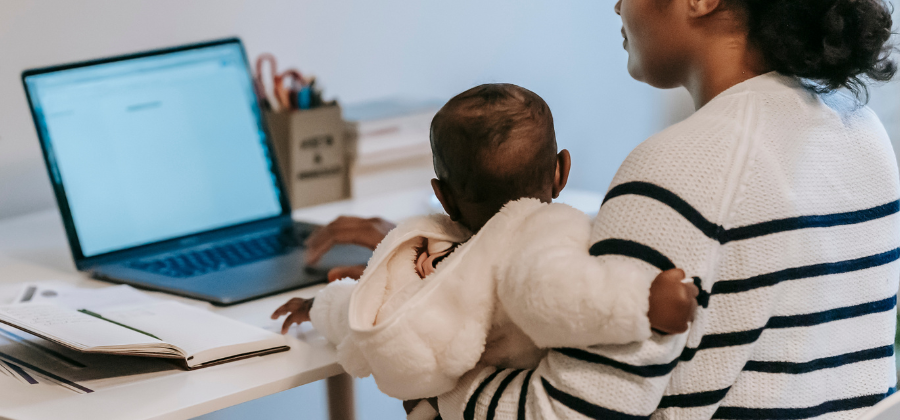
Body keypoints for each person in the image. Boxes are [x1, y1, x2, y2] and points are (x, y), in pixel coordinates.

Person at [428, 0, 900, 419]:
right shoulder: (859, 130)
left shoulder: (682, 164)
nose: (619, 2)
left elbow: (567, 413)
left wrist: (431, 377)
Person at [274, 84, 698, 409]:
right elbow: (562, 297)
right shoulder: (541, 234)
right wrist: (644, 302)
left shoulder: (432, 259)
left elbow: (369, 317)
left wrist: (320, 306)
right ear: (561, 171)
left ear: (443, 196)